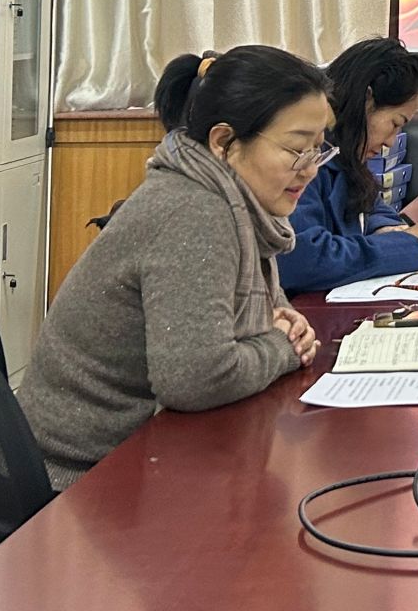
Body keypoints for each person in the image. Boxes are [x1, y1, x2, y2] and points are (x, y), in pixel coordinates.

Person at [19, 46, 328, 488]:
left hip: (150, 451)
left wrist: (284, 321)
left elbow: (264, 309)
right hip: (80, 478)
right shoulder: (194, 211)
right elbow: (197, 379)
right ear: (224, 142)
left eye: (318, 149)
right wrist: (282, 348)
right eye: (297, 150)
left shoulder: (233, 200)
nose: (311, 169)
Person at [278, 36, 418, 295]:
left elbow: (371, 205)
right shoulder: (306, 157)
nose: (391, 142)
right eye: (395, 123)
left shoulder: (348, 156)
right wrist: (402, 247)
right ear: (367, 100)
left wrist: (386, 229)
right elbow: (303, 257)